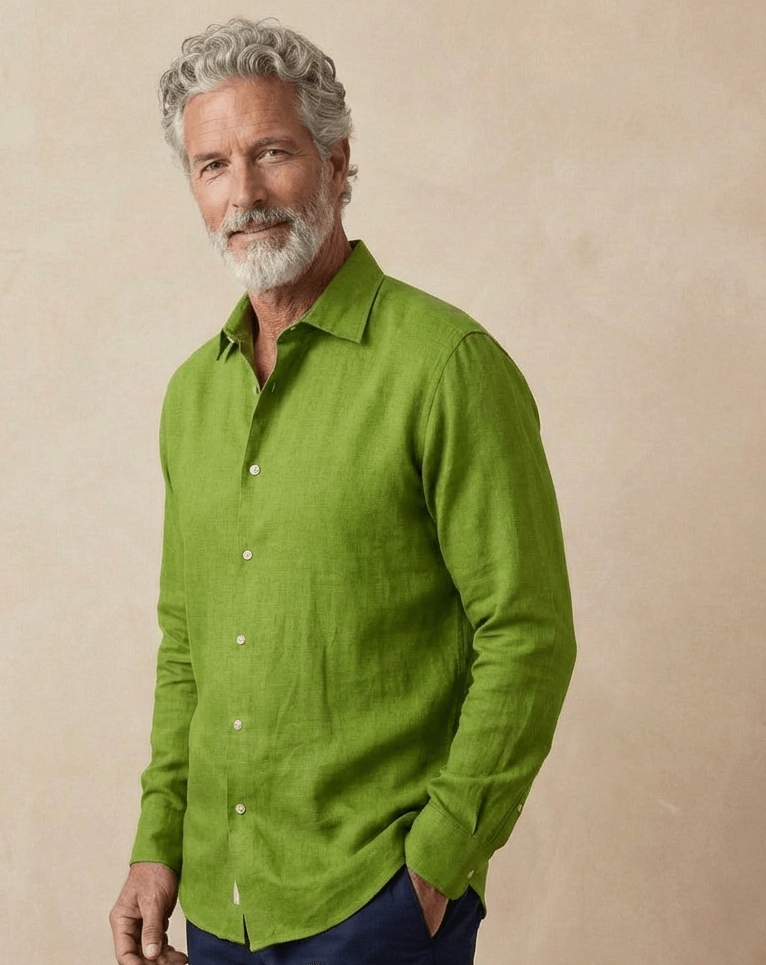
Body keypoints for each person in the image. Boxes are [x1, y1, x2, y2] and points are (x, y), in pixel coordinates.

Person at [109, 18, 576, 965]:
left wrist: (436, 866)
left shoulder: (446, 367)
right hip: (218, 900)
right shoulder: (191, 396)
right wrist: (159, 842)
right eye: (211, 166)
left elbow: (527, 632)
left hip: (377, 903)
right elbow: (187, 646)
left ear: (336, 159)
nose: (243, 194)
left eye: (271, 152)